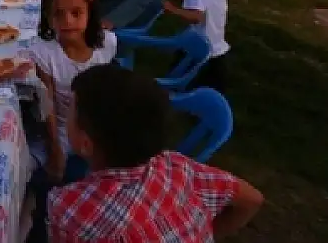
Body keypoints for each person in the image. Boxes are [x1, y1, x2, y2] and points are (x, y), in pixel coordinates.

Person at [47, 64, 263, 242]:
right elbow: (252, 199)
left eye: (70, 110)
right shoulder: (177, 165)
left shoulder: (69, 209)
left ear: (86, 143)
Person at [24, 0, 117, 243]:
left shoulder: (106, 45)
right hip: (64, 124)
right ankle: (45, 219)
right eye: (59, 14)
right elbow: (47, 103)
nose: (68, 21)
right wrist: (55, 146)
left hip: (97, 122)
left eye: (76, 13)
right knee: (43, 172)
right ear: (48, 17)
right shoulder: (44, 53)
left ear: (89, 13)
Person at [162, 0, 238, 93]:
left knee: (176, 84)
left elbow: (196, 16)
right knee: (211, 92)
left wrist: (172, 9)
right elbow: (194, 0)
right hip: (218, 53)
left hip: (196, 52)